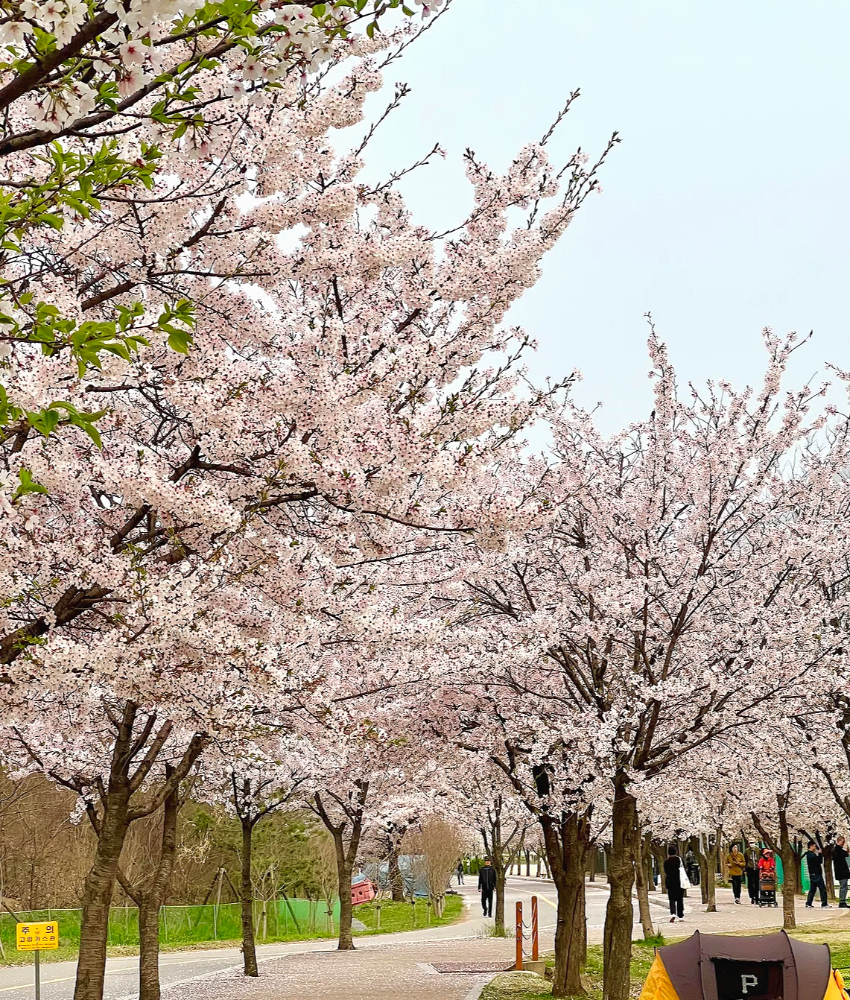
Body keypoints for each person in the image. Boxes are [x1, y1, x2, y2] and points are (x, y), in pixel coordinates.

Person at [805, 841, 831, 908]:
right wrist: (820, 854)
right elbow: (819, 861)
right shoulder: (811, 855)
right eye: (814, 846)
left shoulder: (809, 854)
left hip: (813, 874)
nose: (815, 847)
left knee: (812, 889)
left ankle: (808, 903)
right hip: (816, 874)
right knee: (822, 889)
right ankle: (824, 903)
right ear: (811, 846)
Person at [664, 845, 685, 922]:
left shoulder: (666, 862)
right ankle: (680, 915)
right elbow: (684, 869)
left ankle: (673, 913)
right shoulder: (679, 860)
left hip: (670, 882)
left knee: (671, 899)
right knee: (680, 899)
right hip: (679, 881)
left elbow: (666, 872)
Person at [834, 836, 850, 908]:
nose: (843, 843)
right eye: (842, 842)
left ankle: (843, 901)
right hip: (841, 871)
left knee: (844, 886)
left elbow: (845, 854)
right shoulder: (837, 850)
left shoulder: (839, 850)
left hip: (842, 871)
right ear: (838, 841)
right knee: (843, 886)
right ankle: (842, 901)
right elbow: (843, 855)